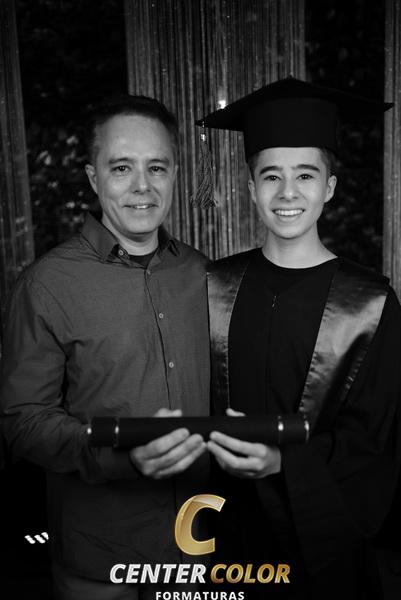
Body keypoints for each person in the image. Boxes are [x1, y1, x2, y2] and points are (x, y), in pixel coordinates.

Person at [0, 94, 210, 599]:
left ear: (174, 175)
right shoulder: (46, 284)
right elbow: (22, 421)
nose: (142, 186)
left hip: (196, 545)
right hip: (100, 556)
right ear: (94, 178)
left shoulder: (203, 274)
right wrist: (121, 457)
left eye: (156, 167)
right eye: (121, 167)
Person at [200, 77, 401, 598]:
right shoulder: (212, 287)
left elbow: (375, 445)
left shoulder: (370, 303)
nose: (287, 193)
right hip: (223, 536)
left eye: (305, 175)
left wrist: (284, 463)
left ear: (329, 187)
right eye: (271, 176)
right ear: (251, 188)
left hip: (325, 552)